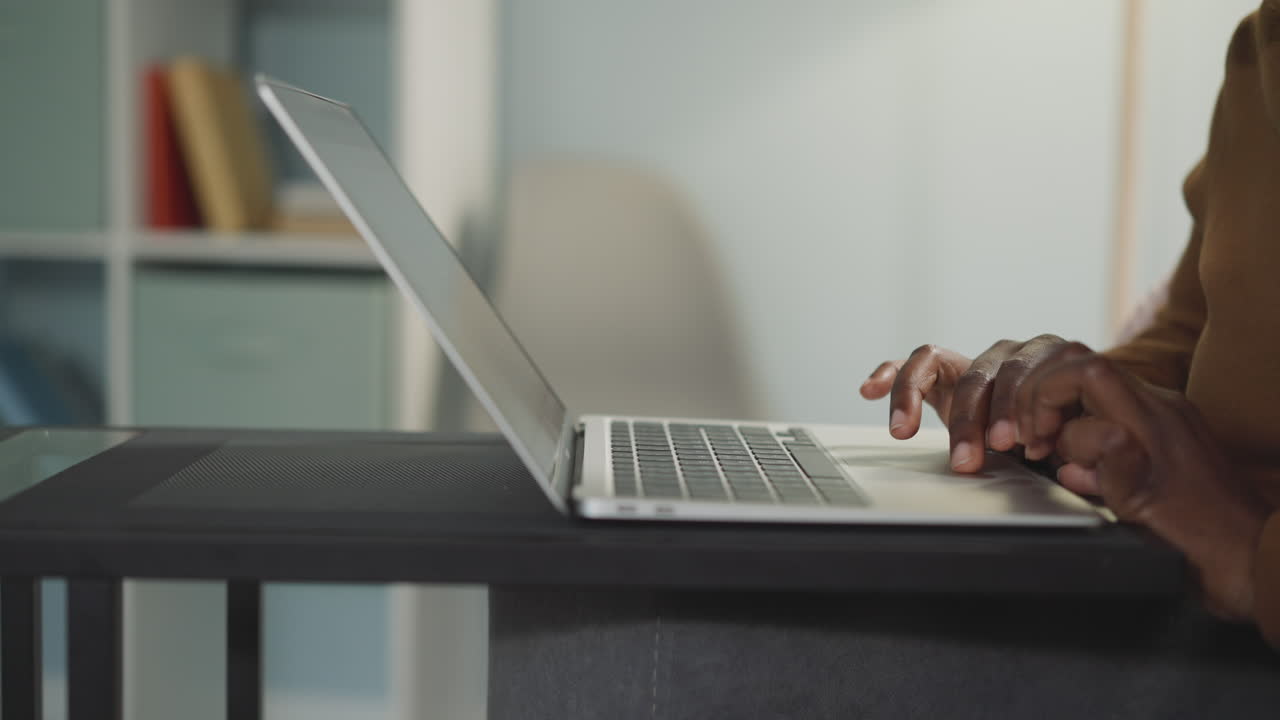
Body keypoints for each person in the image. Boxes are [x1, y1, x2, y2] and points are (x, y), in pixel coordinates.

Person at [860, 2, 1280, 649]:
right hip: (1171, 558)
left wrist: (1249, 554)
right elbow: (1188, 335)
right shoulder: (1260, 44)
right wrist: (1047, 413)